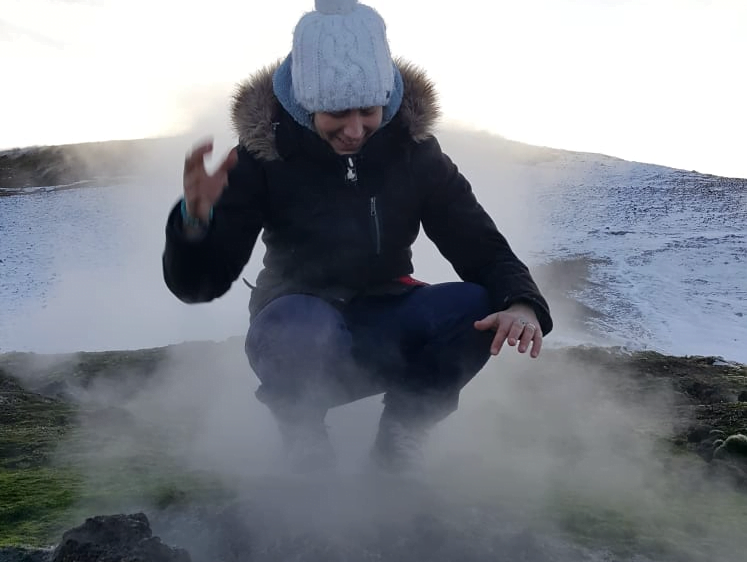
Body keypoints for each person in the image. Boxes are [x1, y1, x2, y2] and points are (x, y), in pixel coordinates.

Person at [162, 0, 552, 474]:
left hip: (387, 317)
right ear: (305, 103)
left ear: (385, 96)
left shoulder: (416, 153)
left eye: (367, 110)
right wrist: (194, 222)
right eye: (336, 113)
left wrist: (522, 303)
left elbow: (480, 243)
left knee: (476, 305)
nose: (354, 130)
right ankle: (305, 442)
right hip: (297, 328)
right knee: (298, 324)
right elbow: (199, 286)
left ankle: (402, 437)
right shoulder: (261, 159)